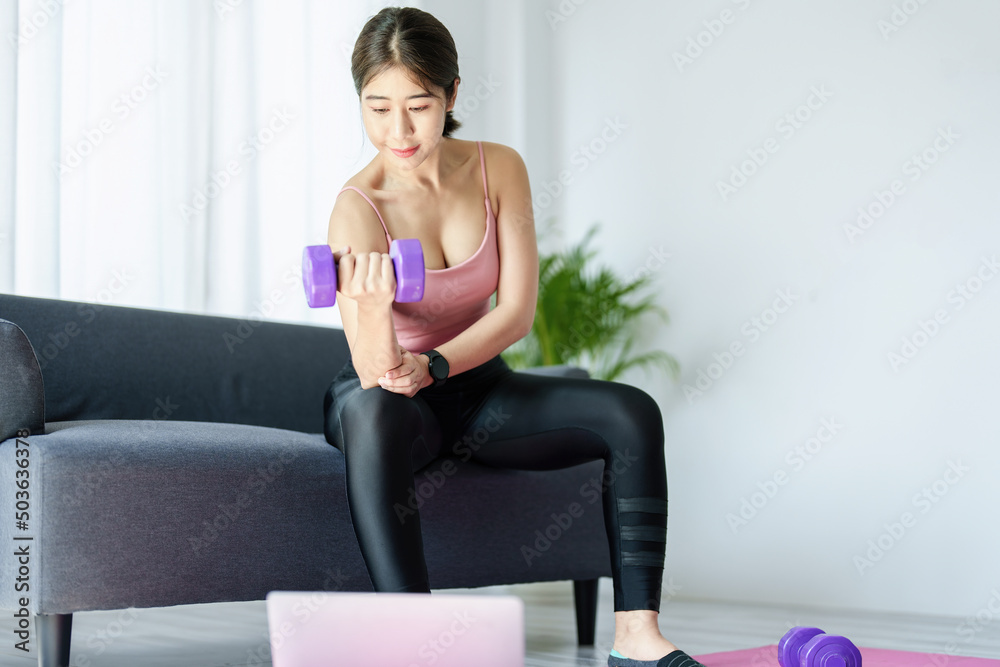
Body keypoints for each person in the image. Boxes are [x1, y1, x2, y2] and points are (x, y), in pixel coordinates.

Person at [322, 7, 704, 667]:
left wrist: (437, 361)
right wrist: (374, 308)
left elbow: (517, 311)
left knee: (632, 410)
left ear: (452, 95)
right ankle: (415, 645)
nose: (398, 130)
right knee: (374, 411)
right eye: (377, 108)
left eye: (417, 105)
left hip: (475, 387)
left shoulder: (499, 168)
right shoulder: (357, 209)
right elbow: (373, 369)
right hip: (391, 400)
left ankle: (637, 636)